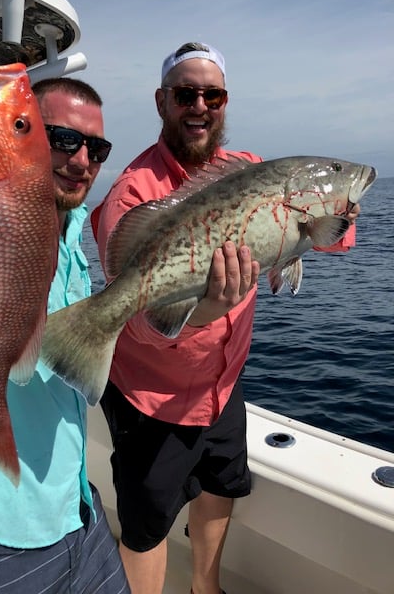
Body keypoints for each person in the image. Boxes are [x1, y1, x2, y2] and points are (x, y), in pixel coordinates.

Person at [91, 42, 360, 594]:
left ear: (224, 102)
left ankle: (205, 587)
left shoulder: (248, 170)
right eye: (186, 93)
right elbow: (138, 319)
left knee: (219, 486)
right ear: (162, 101)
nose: (199, 105)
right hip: (152, 399)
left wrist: (338, 208)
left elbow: (326, 238)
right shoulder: (131, 192)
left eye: (211, 94)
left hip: (223, 385)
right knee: (147, 525)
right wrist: (200, 313)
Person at [0, 78, 130, 593]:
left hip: (78, 509)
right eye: (59, 138)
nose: (82, 159)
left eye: (96, 148)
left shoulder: (72, 234)